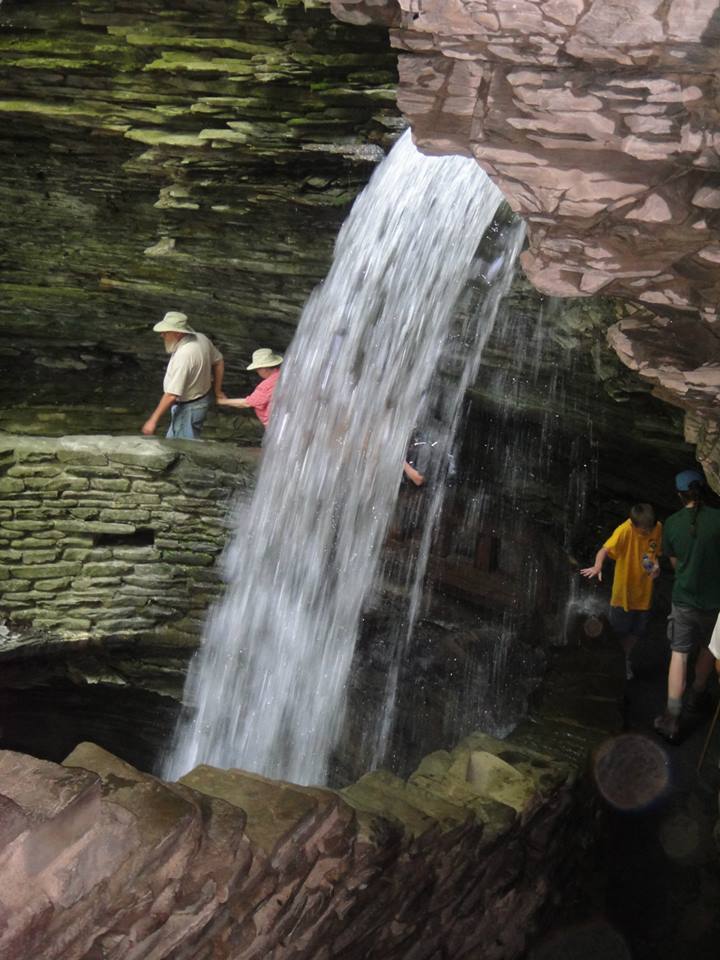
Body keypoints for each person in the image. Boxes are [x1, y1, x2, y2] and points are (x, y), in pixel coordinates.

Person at [654, 470, 720, 744]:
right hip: (715, 600)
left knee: (679, 654)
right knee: (709, 647)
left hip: (684, 599)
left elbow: (674, 563)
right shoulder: (718, 519)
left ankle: (671, 718)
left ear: (680, 495)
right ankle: (698, 693)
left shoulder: (671, 523)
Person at [580, 503, 662, 681]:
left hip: (644, 594)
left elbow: (649, 555)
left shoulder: (657, 528)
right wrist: (597, 565)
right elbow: (605, 549)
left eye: (650, 529)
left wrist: (654, 568)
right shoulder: (624, 531)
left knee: (637, 631)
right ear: (633, 526)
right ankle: (607, 665)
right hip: (623, 595)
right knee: (617, 632)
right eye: (643, 531)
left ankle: (623, 659)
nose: (648, 533)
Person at [142, 311, 225, 439]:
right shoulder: (201, 338)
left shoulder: (184, 356)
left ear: (178, 333)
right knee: (178, 440)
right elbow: (219, 361)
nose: (161, 335)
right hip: (202, 400)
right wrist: (218, 391)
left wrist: (153, 420)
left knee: (181, 449)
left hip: (188, 408)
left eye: (165, 332)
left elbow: (171, 395)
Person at [218, 348, 283, 429]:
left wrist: (220, 401)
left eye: (257, 369)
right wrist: (226, 401)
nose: (257, 372)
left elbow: (247, 403)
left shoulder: (267, 385)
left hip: (277, 425)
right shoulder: (282, 374)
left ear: (264, 368)